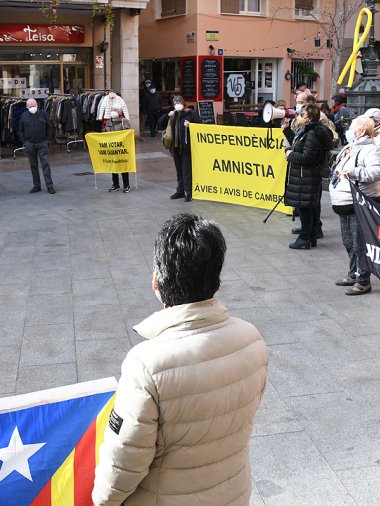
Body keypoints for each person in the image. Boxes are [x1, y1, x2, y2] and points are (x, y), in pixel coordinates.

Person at [92, 213, 268, 506]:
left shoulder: (146, 364)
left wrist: (100, 500)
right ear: (216, 277)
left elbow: (123, 463)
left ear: (156, 282)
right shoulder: (252, 339)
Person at [328, 116, 380, 295]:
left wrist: (354, 172)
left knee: (359, 243)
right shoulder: (350, 148)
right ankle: (353, 273)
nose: (348, 131)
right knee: (348, 242)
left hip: (358, 204)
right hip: (344, 204)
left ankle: (363, 280)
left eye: (351, 128)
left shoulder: (370, 150)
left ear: (361, 131)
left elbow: (379, 171)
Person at [283, 103, 333, 250]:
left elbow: (307, 157)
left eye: (302, 114)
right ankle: (310, 236)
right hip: (304, 176)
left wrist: (290, 155)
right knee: (307, 207)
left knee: (305, 208)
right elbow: (298, 144)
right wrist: (286, 130)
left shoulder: (312, 133)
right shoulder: (308, 130)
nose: (299, 116)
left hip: (306, 176)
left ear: (309, 117)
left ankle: (304, 238)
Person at [158, 95, 201, 202]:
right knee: (179, 170)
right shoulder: (173, 115)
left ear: (183, 103)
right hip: (175, 147)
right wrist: (167, 116)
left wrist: (191, 125)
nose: (177, 104)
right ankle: (180, 191)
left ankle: (189, 192)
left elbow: (200, 127)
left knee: (187, 171)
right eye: (175, 102)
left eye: (179, 102)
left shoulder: (191, 114)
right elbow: (160, 124)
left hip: (186, 148)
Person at [18, 98, 55, 194]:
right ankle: (36, 185)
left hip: (42, 143)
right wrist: (25, 142)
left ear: (37, 105)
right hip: (30, 144)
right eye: (30, 106)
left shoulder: (43, 114)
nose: (32, 108)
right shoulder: (24, 116)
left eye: (33, 106)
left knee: (45, 165)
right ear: (27, 107)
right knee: (33, 165)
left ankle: (49, 186)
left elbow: (49, 127)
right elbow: (20, 130)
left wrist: (47, 140)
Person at [103, 107, 132, 192]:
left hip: (121, 148)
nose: (113, 112)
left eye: (115, 110)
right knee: (113, 166)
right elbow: (105, 131)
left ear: (119, 112)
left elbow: (127, 132)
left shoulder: (124, 121)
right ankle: (116, 185)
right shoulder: (109, 121)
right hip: (111, 147)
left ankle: (126, 185)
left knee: (123, 166)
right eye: (112, 110)